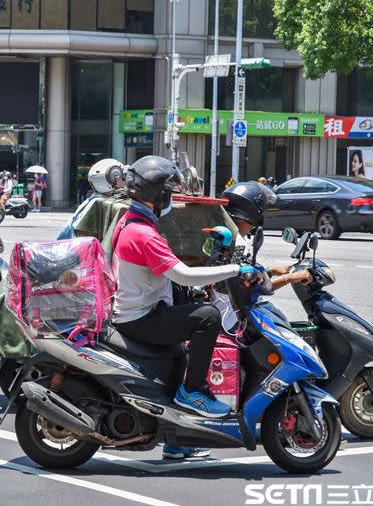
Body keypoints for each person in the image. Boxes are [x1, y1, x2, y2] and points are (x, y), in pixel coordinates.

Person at [111, 156, 264, 452]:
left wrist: (214, 256)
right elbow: (183, 274)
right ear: (159, 194)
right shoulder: (143, 233)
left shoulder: (132, 221)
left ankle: (177, 442)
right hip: (141, 317)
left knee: (183, 352)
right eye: (168, 190)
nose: (171, 196)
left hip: (140, 310)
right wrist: (236, 270)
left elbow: (171, 270)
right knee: (207, 316)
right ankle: (193, 392)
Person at [209, 182, 313, 331]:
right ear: (251, 211)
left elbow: (241, 275)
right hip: (235, 319)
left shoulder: (223, 236)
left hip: (228, 310)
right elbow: (254, 288)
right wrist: (292, 278)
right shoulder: (237, 242)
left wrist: (272, 271)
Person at [56, 158, 125, 240]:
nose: (125, 181)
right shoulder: (103, 205)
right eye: (122, 177)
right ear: (112, 179)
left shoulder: (93, 201)